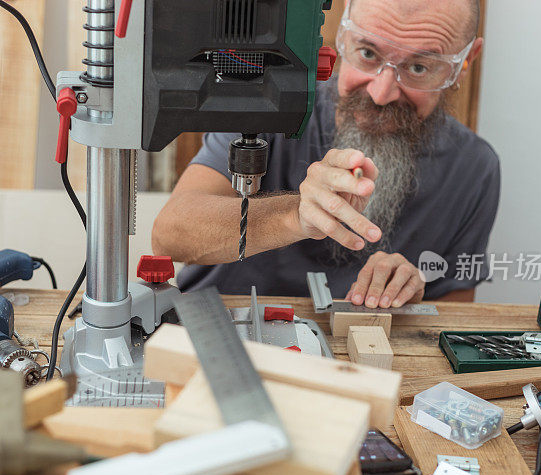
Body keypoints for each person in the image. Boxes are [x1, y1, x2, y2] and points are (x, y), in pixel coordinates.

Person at [152, 0, 499, 308]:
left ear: (465, 61)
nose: (381, 93)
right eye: (368, 54)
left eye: (419, 68)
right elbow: (170, 236)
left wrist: (413, 291)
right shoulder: (268, 104)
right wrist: (295, 216)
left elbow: (457, 314)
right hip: (220, 332)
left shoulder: (474, 168)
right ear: (343, 32)